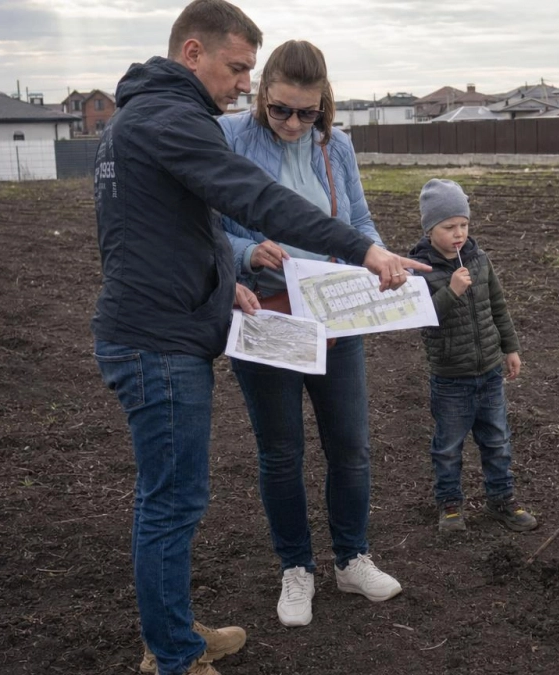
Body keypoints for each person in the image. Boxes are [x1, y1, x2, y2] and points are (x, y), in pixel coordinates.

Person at [91, 2, 429, 674]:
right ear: (194, 52)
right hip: (164, 340)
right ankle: (177, 656)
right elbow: (255, 201)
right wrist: (357, 250)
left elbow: (175, 227)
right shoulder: (175, 121)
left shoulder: (151, 117)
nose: (244, 85)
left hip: (187, 325)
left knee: (187, 493)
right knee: (174, 500)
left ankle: (173, 636)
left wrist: (221, 277)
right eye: (239, 68)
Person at [217, 40, 399, 629]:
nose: (295, 123)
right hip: (267, 316)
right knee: (282, 452)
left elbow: (358, 222)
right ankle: (297, 568)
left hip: (333, 315)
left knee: (350, 446)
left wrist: (378, 259)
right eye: (281, 110)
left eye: (308, 112)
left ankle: (351, 558)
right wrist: (245, 251)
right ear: (262, 91)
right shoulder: (227, 139)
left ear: (325, 106)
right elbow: (204, 229)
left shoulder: (336, 145)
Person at [407, 179, 538, 533]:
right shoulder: (419, 271)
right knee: (448, 447)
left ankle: (502, 501)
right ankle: (450, 505)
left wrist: (509, 348)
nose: (458, 233)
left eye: (463, 224)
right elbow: (422, 318)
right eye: (449, 227)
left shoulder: (479, 260)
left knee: (497, 441)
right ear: (429, 228)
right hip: (451, 377)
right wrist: (451, 291)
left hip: (490, 372)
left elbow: (498, 306)